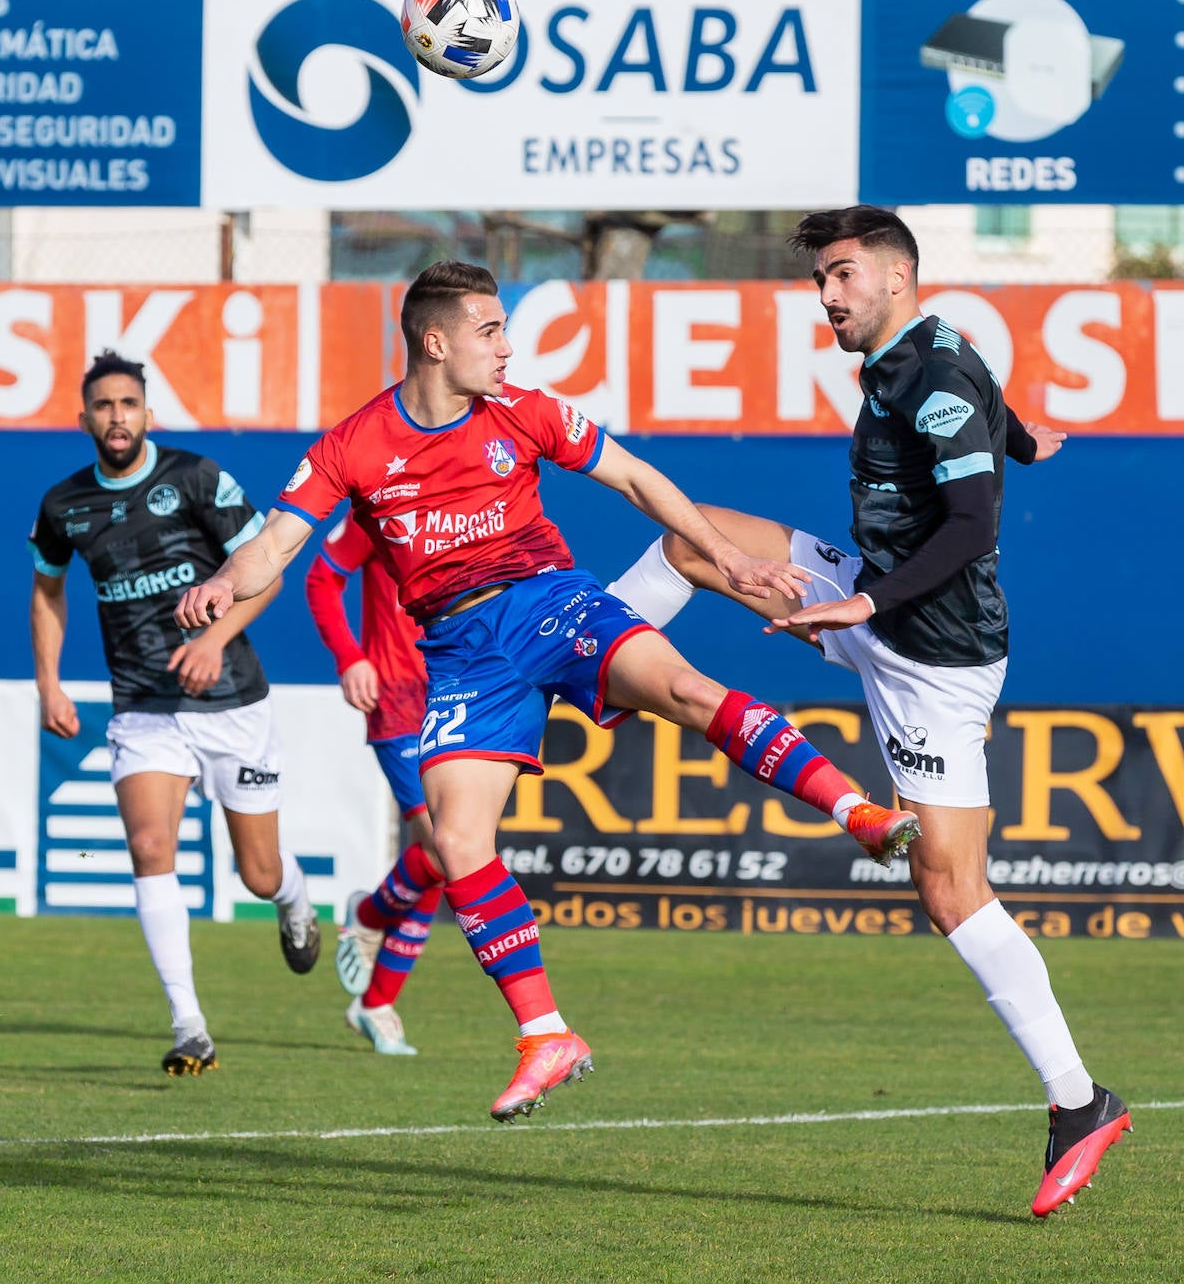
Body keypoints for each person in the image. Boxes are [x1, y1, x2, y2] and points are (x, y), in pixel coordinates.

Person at [174, 259, 922, 1124]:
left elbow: (638, 479)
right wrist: (226, 583)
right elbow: (277, 545)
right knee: (456, 841)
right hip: (459, 650)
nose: (505, 347)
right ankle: (545, 1034)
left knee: (680, 687)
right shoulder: (353, 444)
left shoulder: (523, 411)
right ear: (435, 341)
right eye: (488, 331)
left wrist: (728, 557)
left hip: (550, 601)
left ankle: (855, 811)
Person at [607, 205, 1130, 1217]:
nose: (827, 296)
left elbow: (971, 524)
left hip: (928, 658)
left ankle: (1080, 1102)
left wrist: (866, 600)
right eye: (819, 280)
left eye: (843, 275)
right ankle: (599, 663)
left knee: (950, 892)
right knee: (694, 542)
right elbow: (991, 417)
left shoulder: (931, 375)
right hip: (874, 602)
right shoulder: (925, 355)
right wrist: (1027, 439)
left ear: (896, 275)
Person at [29, 350, 320, 1078]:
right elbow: (47, 592)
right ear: (84, 418)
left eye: (128, 404)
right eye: (103, 406)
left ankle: (295, 900)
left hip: (231, 703)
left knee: (256, 873)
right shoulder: (65, 505)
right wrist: (49, 685)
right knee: (151, 845)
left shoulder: (194, 478)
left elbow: (269, 571)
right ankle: (189, 1025)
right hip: (142, 706)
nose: (116, 416)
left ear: (147, 413)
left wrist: (215, 639)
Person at [305, 519, 445, 1055]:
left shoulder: (483, 500)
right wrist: (350, 656)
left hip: (463, 690)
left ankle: (376, 1002)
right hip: (399, 696)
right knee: (440, 844)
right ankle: (365, 919)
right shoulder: (381, 503)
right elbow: (321, 579)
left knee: (443, 859)